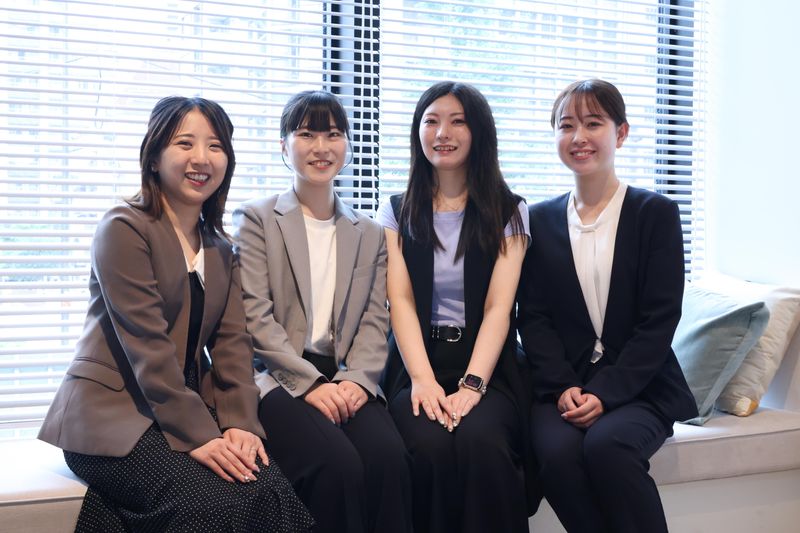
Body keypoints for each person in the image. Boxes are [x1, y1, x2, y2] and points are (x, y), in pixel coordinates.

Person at [38, 96, 314, 533]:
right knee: (214, 505)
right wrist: (201, 435)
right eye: (185, 143)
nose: (201, 158)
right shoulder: (123, 228)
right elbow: (147, 347)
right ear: (154, 157)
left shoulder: (221, 248)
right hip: (111, 414)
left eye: (215, 146)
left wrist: (241, 424)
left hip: (182, 405)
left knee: (270, 491)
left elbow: (233, 346)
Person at [517, 79, 699, 533]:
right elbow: (533, 318)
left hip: (640, 385)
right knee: (556, 455)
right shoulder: (537, 219)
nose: (579, 137)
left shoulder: (655, 214)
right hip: (563, 387)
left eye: (593, 123)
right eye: (567, 126)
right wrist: (563, 385)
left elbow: (659, 320)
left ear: (621, 132)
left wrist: (606, 393)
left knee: (608, 447)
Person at [232, 90, 412, 533]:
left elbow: (375, 320)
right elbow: (254, 316)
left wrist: (358, 380)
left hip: (345, 376)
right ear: (283, 145)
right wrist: (309, 383)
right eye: (306, 134)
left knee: (390, 458)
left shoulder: (368, 232)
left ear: (347, 144)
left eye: (333, 134)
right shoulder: (257, 219)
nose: (321, 147)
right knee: (337, 466)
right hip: (277, 377)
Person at [377, 81, 536, 533]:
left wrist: (473, 385)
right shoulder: (396, 210)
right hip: (417, 362)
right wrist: (423, 381)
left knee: (482, 442)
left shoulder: (509, 210)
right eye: (431, 121)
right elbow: (400, 301)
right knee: (425, 445)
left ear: (478, 132)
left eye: (457, 121)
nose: (442, 133)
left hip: (488, 366)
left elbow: (499, 307)